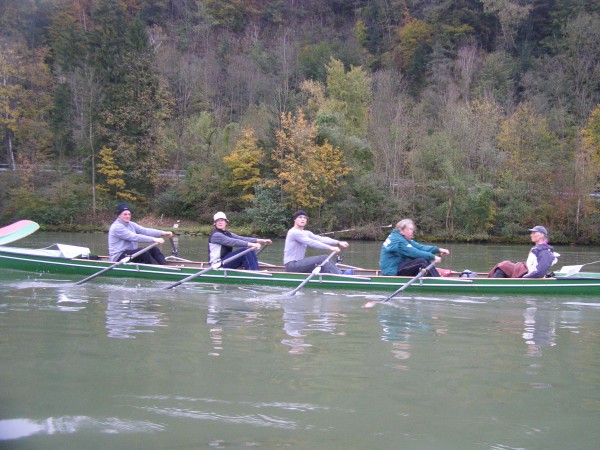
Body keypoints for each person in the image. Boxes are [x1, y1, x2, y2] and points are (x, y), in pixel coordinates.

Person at [283, 210, 349, 274]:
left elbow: (321, 239)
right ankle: (340, 275)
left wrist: (338, 242)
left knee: (324, 265)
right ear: (295, 220)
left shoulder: (307, 233)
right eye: (300, 217)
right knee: (324, 258)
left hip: (299, 264)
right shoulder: (293, 232)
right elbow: (311, 242)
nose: (302, 219)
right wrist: (330, 248)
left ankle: (337, 274)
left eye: (304, 218)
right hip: (292, 265)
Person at [379, 219, 450, 277]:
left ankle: (433, 277)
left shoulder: (401, 238)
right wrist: (433, 256)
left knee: (423, 261)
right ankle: (438, 280)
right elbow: (414, 253)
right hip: (391, 271)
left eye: (412, 230)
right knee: (422, 261)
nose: (412, 232)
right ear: (402, 230)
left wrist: (438, 250)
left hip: (396, 267)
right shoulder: (398, 241)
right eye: (410, 229)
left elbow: (420, 247)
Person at [108, 203, 173, 264]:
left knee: (154, 249)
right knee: (143, 252)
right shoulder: (116, 227)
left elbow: (144, 231)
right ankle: (160, 271)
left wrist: (163, 233)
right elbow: (134, 237)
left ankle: (165, 267)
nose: (127, 216)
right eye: (125, 214)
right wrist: (154, 239)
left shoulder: (131, 224)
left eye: (129, 214)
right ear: (119, 215)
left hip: (130, 254)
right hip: (118, 257)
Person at [488, 225, 559, 278]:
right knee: (503, 265)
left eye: (534, 233)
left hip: (527, 274)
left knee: (503, 266)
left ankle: (492, 284)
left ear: (542, 235)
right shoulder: (538, 248)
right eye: (531, 233)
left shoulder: (544, 251)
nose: (531, 235)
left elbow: (540, 272)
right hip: (524, 270)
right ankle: (493, 281)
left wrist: (524, 278)